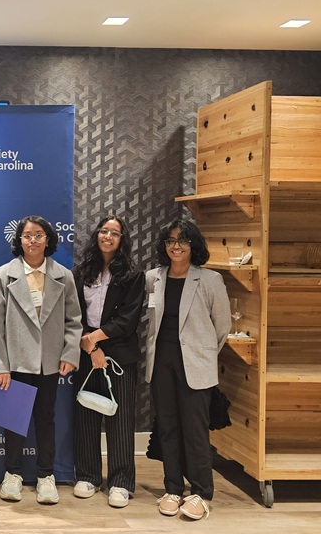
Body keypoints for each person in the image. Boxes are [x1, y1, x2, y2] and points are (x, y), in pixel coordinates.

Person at [0, 215, 81, 505]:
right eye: (27, 236)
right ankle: (12, 474)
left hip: (49, 361)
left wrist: (69, 353)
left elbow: (74, 320)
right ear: (19, 240)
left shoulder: (63, 276)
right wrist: (0, 364)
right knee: (13, 420)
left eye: (38, 235)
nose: (32, 241)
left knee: (45, 418)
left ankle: (46, 476)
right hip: (15, 361)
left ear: (48, 239)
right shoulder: (3, 274)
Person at [145, 219, 230, 520]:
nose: (176, 246)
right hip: (161, 362)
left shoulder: (209, 280)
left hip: (195, 362)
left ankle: (201, 493)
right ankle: (172, 488)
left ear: (194, 245)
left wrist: (203, 354)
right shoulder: (153, 278)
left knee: (195, 430)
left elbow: (223, 327)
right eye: (170, 241)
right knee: (167, 426)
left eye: (182, 240)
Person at [71, 216, 144, 508]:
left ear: (122, 239)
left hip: (120, 355)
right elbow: (73, 315)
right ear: (96, 235)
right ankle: (88, 475)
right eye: (104, 231)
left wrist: (96, 340)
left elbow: (128, 319)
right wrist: (90, 347)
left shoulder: (132, 274)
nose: (108, 236)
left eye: (115, 233)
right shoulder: (81, 272)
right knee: (87, 415)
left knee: (120, 419)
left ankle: (120, 481)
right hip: (87, 352)